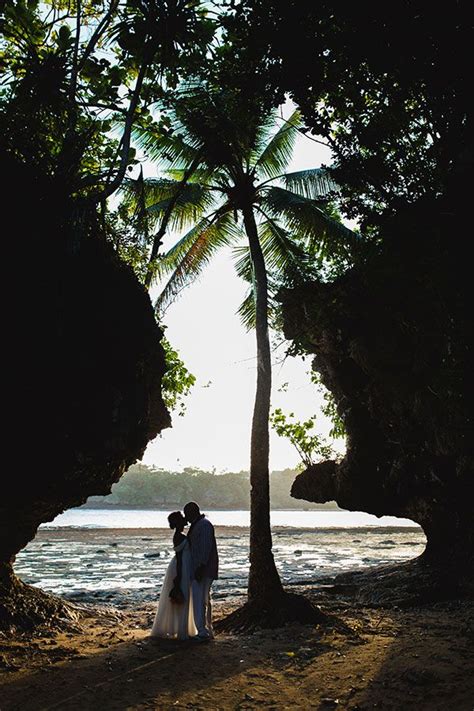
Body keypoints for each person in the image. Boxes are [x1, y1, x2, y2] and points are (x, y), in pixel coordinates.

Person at [150, 511, 197, 640]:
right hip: (181, 567)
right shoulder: (179, 537)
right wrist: (179, 575)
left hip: (182, 565)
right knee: (183, 595)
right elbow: (180, 558)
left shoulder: (180, 535)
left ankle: (182, 627)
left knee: (184, 596)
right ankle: (182, 629)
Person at [184, 502, 219, 641]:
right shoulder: (200, 524)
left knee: (200, 600)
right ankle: (205, 629)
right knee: (203, 599)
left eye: (187, 514)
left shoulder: (204, 525)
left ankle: (203, 631)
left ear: (193, 512)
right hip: (201, 568)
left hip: (203, 569)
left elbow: (205, 549)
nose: (186, 517)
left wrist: (200, 568)